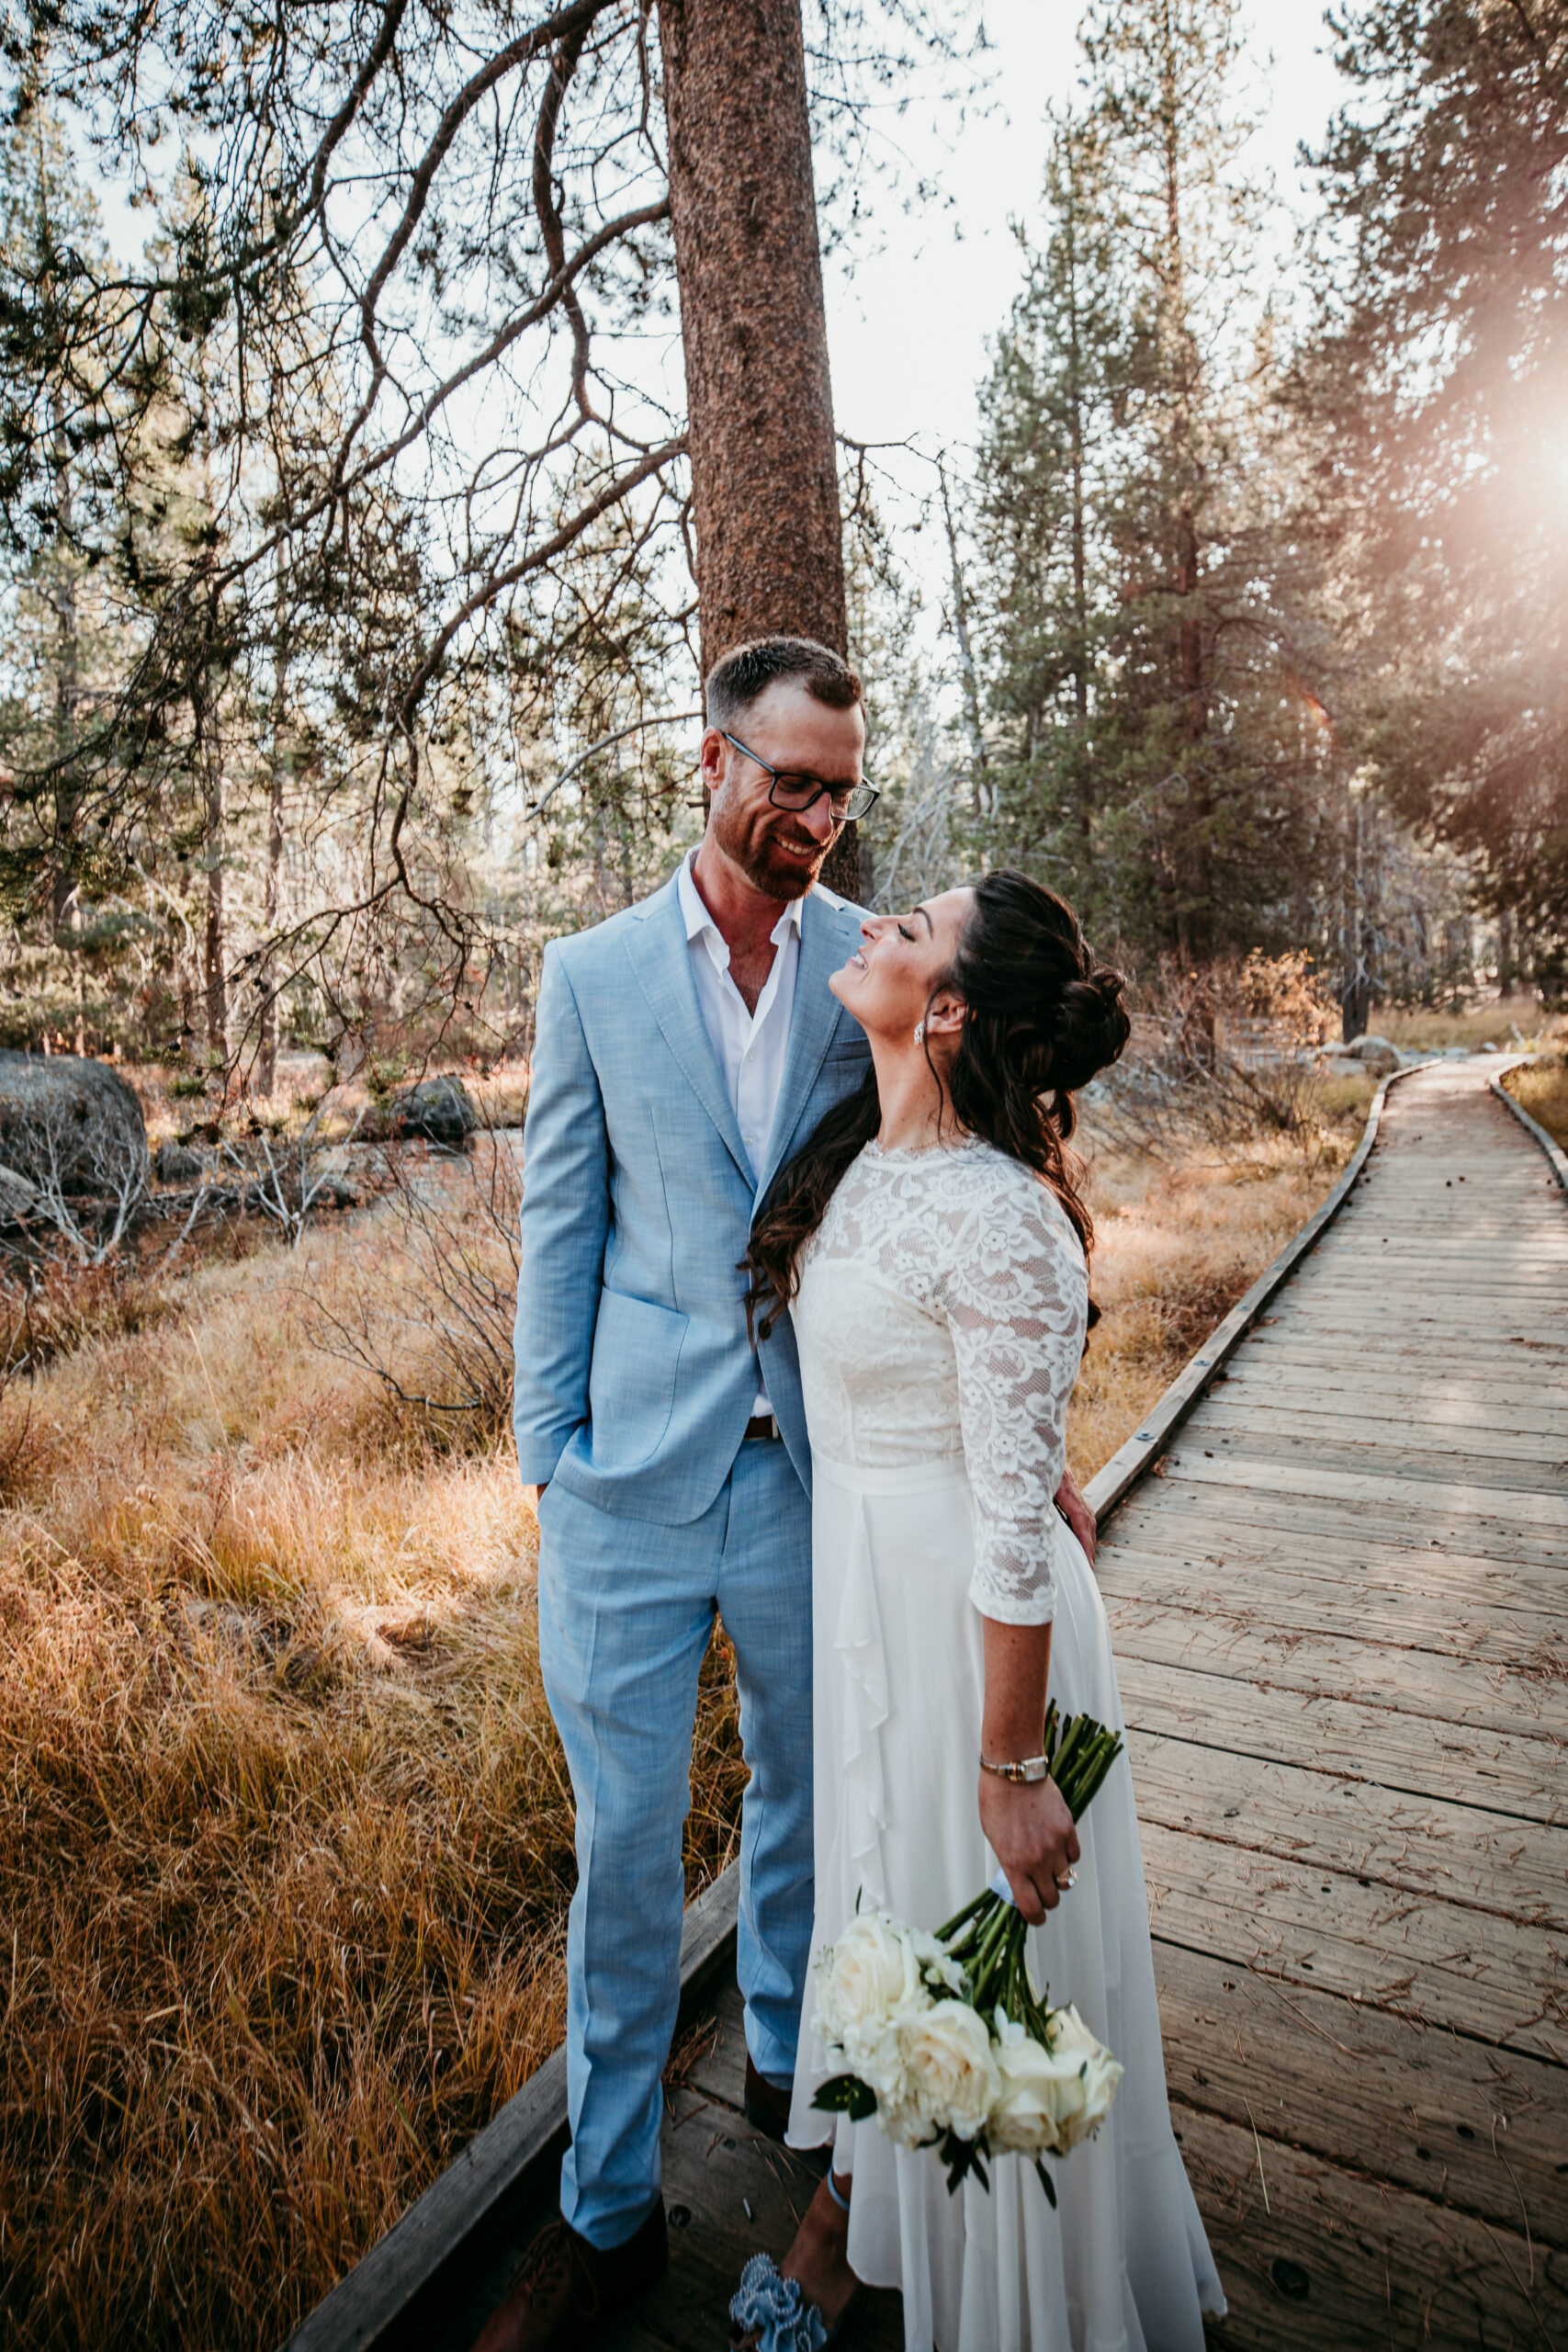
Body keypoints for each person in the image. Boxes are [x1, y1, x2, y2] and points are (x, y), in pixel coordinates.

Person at [473, 634, 1111, 2352]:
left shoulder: (872, 973)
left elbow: (965, 1193)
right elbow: (561, 1227)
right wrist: (552, 1455)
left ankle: (794, 2074)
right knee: (620, 1853)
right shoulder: (592, 974)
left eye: (841, 788)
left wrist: (1024, 1447)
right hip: (627, 1487)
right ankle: (605, 2210)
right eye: (790, 780)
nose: (820, 816)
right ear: (714, 762)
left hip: (817, 1489)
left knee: (810, 1807)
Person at [730, 872, 1227, 2352]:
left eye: (912, 926)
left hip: (975, 1640)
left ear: (945, 1008)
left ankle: (1013, 2301)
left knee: (974, 1954)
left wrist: (1014, 1773)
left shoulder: (1006, 1217)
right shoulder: (873, 1163)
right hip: (877, 1600)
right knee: (900, 1930)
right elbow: (958, 1395)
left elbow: (1011, 1529)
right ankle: (862, 2222)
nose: (873, 921)